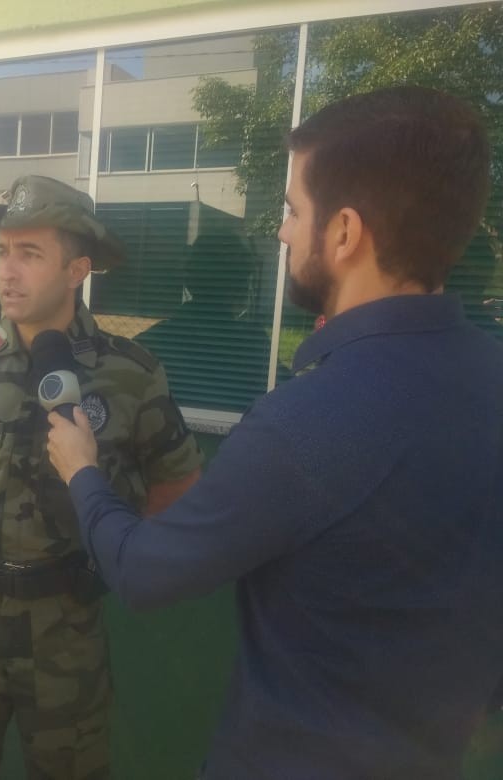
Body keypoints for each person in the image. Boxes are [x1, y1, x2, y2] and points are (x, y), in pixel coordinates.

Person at [46, 86, 503, 779]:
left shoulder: (310, 422)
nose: (282, 231)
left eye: (292, 210)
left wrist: (82, 470)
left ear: (345, 233)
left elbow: (142, 571)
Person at [0, 175, 203, 779]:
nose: (7, 272)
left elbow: (176, 484)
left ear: (77, 271)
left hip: (65, 621)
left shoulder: (129, 374)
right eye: (1, 251)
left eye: (30, 253)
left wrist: (108, 548)